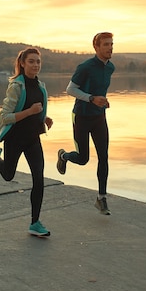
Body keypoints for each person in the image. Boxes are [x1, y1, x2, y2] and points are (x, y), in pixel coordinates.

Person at [0, 47, 53, 237]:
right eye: (31, 61)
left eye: (38, 62)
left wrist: (44, 119)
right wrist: (30, 112)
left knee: (39, 179)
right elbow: (6, 117)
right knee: (9, 175)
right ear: (23, 64)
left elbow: (37, 111)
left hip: (33, 138)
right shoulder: (16, 86)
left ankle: (35, 223)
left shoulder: (41, 86)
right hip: (15, 138)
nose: (35, 65)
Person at [57, 32, 114, 215]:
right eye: (106, 44)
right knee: (83, 159)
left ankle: (101, 198)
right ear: (96, 47)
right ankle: (64, 156)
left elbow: (99, 91)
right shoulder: (85, 67)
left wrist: (103, 101)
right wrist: (91, 98)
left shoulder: (110, 67)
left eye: (111, 44)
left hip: (99, 117)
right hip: (81, 117)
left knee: (103, 157)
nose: (110, 48)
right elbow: (70, 89)